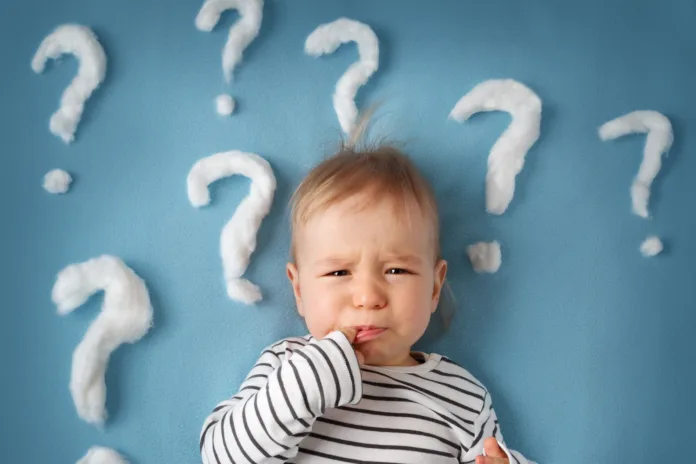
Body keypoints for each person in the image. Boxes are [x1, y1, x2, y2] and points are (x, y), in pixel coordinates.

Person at [200, 128, 534, 464]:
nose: (368, 297)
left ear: (434, 287)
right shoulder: (287, 365)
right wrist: (301, 389)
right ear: (299, 290)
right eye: (338, 272)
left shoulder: (462, 397)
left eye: (395, 271)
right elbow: (219, 456)